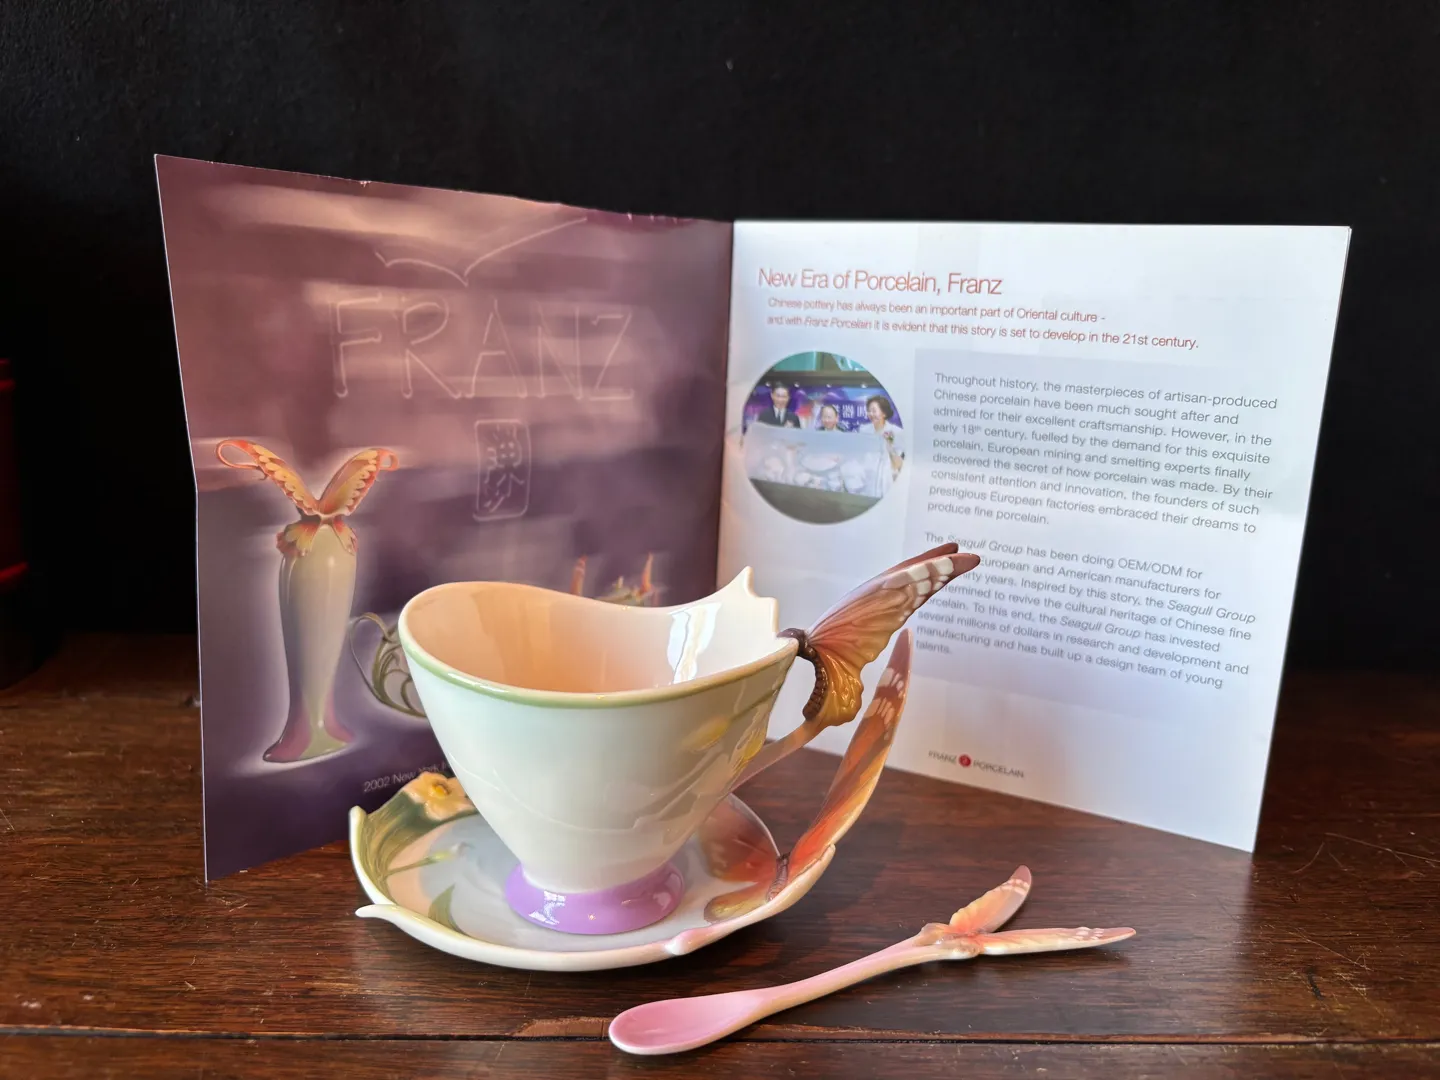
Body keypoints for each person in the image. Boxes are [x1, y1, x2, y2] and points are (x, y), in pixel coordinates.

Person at [865, 395, 905, 495]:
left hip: (887, 479)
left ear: (884, 413)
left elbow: (899, 464)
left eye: (874, 411)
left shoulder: (895, 431)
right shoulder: (864, 430)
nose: (871, 414)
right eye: (869, 411)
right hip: (868, 477)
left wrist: (889, 447)